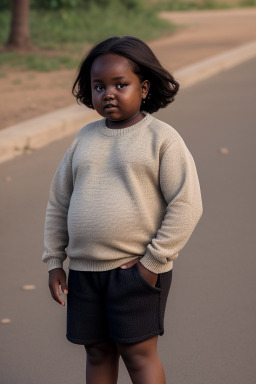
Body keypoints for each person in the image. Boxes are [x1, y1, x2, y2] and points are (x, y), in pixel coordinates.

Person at [42, 36, 203, 384]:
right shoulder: (84, 138)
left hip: (135, 271)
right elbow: (59, 203)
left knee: (138, 354)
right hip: (85, 272)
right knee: (97, 351)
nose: (108, 93)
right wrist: (55, 260)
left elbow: (187, 203)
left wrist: (152, 263)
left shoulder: (161, 138)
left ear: (144, 88)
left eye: (120, 84)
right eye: (99, 86)